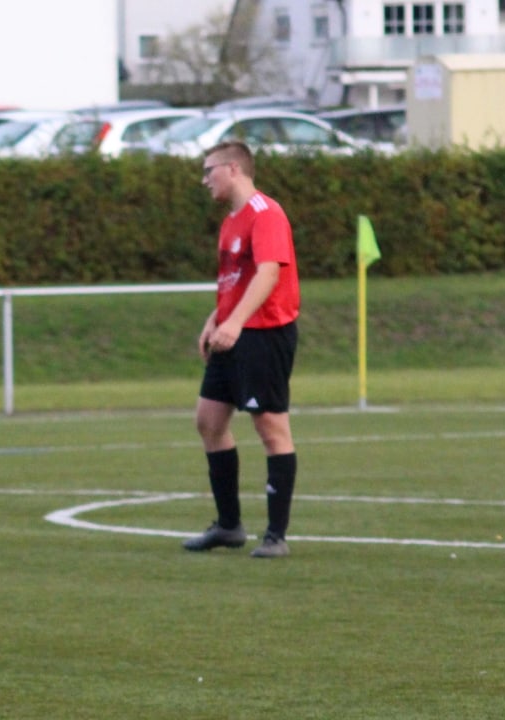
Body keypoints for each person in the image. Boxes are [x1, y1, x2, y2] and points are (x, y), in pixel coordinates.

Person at [182, 141, 300, 559]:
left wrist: (234, 323)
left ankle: (276, 536)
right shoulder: (231, 222)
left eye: (209, 170)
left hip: (264, 333)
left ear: (233, 169)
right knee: (209, 421)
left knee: (271, 428)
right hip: (233, 332)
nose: (204, 179)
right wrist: (216, 318)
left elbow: (268, 273)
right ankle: (229, 526)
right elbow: (238, 280)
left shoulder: (266, 213)